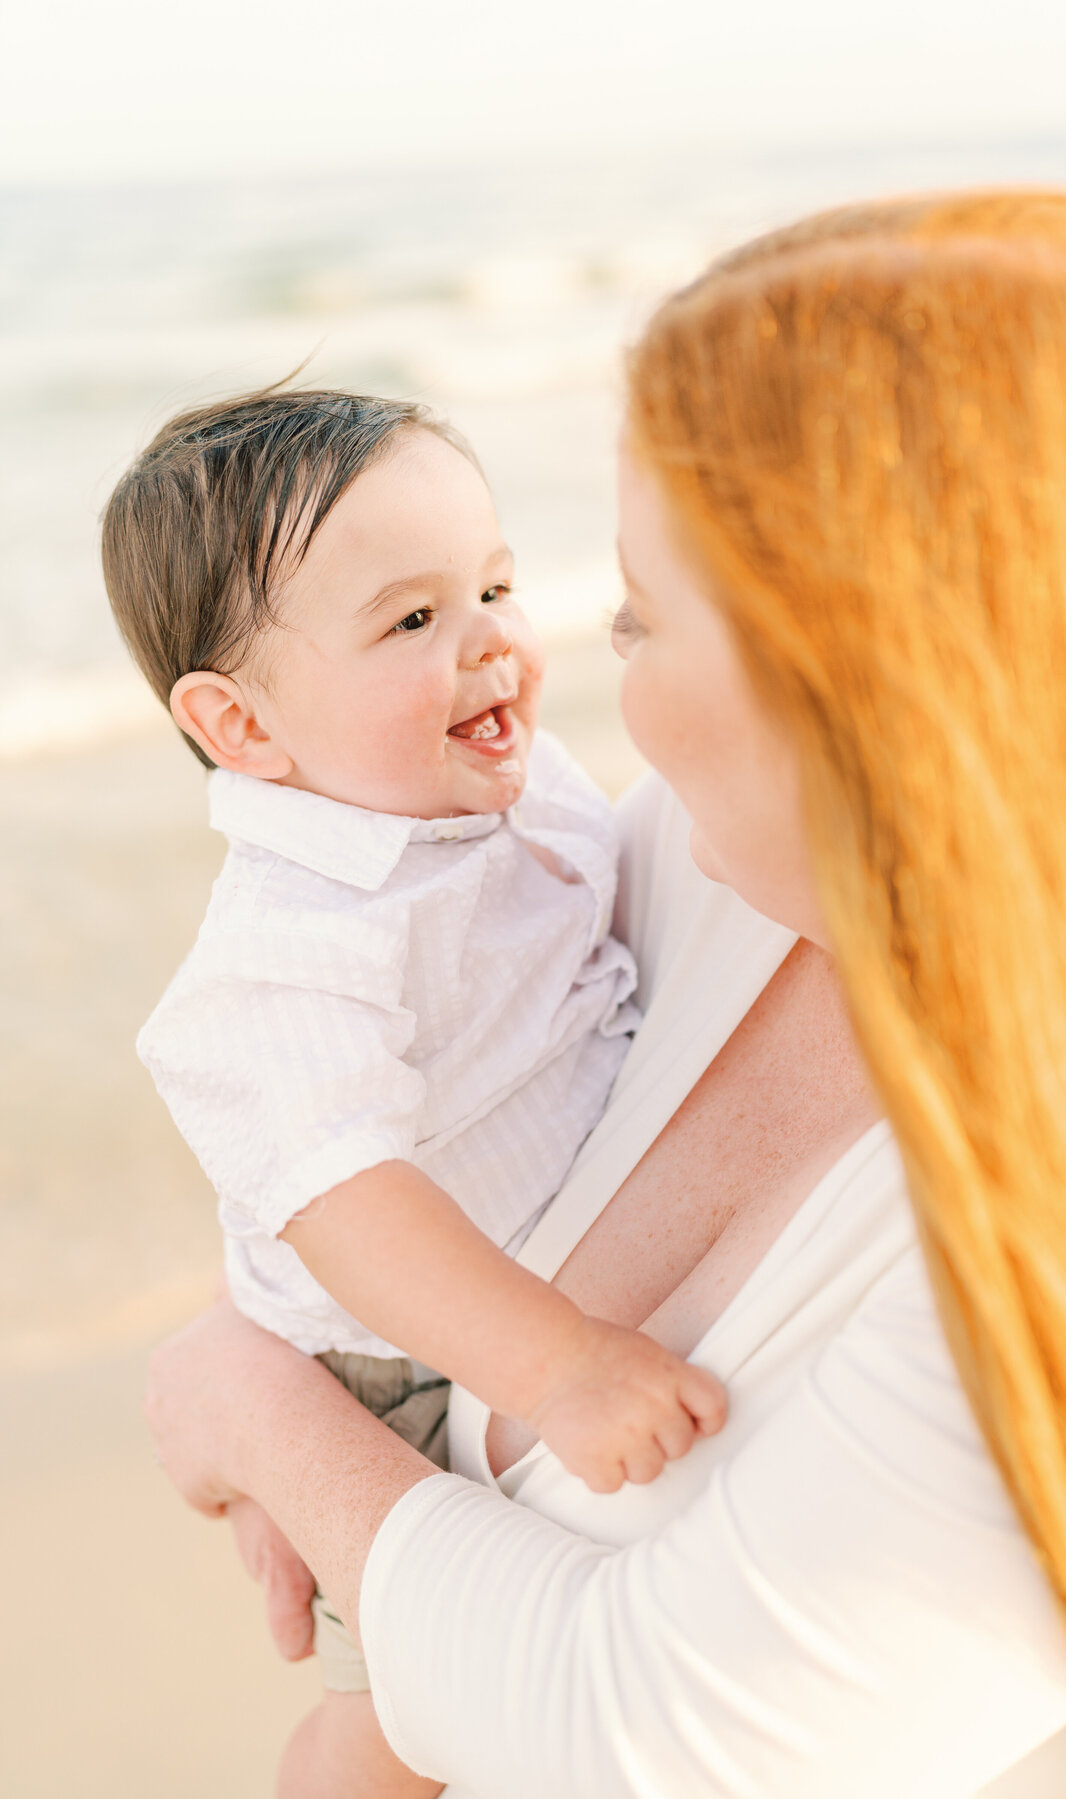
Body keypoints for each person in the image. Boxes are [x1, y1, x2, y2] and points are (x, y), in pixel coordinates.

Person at [145, 188, 1066, 1798]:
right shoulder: (709, 876)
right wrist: (269, 1333)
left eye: (636, 615)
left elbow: (649, 1735)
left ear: (862, 677)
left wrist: (254, 1411)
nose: (557, 663)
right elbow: (368, 1109)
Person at [102, 390, 726, 1799]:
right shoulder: (290, 950)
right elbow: (349, 1209)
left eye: (494, 585)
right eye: (412, 623)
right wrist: (554, 1366)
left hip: (534, 1271)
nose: (493, 638)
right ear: (242, 724)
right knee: (407, 1729)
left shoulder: (517, 784)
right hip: (384, 1361)